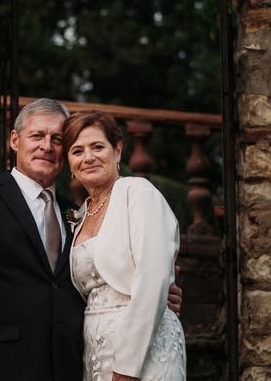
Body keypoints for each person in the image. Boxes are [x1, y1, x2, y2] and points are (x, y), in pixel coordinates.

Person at [0, 98, 181, 381]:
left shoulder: (76, 213)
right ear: (15, 140)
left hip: (71, 365)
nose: (47, 146)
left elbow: (105, 276)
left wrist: (161, 293)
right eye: (37, 135)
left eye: (57, 139)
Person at [64, 110, 186, 381]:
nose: (88, 157)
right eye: (77, 151)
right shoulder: (80, 214)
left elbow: (152, 279)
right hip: (95, 351)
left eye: (98, 147)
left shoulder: (138, 192)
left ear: (117, 151)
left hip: (143, 350)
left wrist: (127, 368)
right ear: (69, 162)